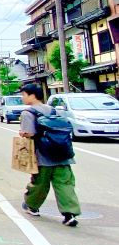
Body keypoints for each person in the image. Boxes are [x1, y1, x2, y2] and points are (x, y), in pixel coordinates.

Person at [18, 83, 81, 226]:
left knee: (39, 184)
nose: (22, 98)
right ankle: (69, 214)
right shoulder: (53, 110)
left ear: (32, 96)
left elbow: (30, 133)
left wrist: (23, 133)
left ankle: (32, 206)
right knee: (65, 185)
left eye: (24, 95)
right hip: (62, 155)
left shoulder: (28, 113)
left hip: (43, 156)